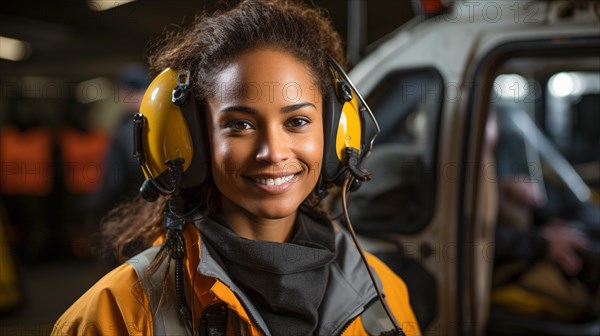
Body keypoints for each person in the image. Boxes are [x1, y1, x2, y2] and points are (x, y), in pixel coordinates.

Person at [52, 1, 421, 335]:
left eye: (297, 122)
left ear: (337, 135)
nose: (273, 152)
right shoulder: (115, 316)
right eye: (240, 125)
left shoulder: (384, 293)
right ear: (191, 141)